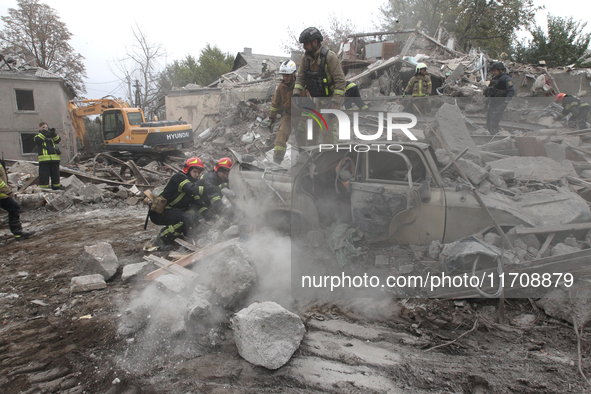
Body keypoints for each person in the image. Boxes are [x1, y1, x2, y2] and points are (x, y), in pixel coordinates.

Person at [149, 157, 224, 250]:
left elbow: (198, 204)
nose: (197, 175)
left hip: (171, 210)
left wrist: (211, 216)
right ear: (188, 170)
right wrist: (216, 188)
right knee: (185, 218)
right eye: (195, 172)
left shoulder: (191, 183)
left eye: (199, 173)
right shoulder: (179, 178)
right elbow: (193, 189)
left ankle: (174, 235)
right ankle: (162, 239)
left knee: (193, 218)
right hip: (160, 212)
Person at [293, 27, 346, 145]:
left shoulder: (329, 57)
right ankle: (314, 158)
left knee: (328, 130)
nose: (304, 47)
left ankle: (332, 158)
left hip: (333, 97)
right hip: (319, 98)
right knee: (312, 128)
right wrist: (296, 94)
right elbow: (301, 78)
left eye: (306, 43)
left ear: (315, 42)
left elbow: (340, 81)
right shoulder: (305, 59)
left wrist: (335, 103)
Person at [268, 60, 298, 164]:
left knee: (304, 141)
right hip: (288, 115)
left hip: (301, 116)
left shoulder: (301, 86)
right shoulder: (281, 87)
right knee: (280, 137)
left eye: (287, 75)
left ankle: (305, 165)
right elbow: (275, 103)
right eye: (283, 75)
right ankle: (277, 162)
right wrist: (271, 118)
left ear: (293, 73)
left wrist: (303, 122)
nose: (285, 78)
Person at [0, 160, 35, 241]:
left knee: (14, 208)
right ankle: (18, 233)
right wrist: (7, 191)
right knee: (14, 207)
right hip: (3, 193)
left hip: (2, 194)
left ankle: (18, 233)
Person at [484, 62, 515, 135]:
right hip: (492, 102)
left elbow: (511, 91)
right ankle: (491, 135)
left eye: (495, 70)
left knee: (494, 121)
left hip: (500, 103)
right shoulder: (495, 78)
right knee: (488, 121)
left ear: (500, 70)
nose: (493, 72)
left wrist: (505, 102)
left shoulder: (507, 79)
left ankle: (495, 136)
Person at [34, 122, 61, 189]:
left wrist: (52, 132)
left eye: (46, 127)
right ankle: (44, 189)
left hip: (54, 159)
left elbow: (57, 140)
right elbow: (39, 140)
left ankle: (56, 187)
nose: (45, 128)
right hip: (44, 160)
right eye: (43, 127)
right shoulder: (37, 136)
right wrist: (44, 132)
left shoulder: (51, 136)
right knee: (44, 175)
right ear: (39, 128)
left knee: (56, 175)